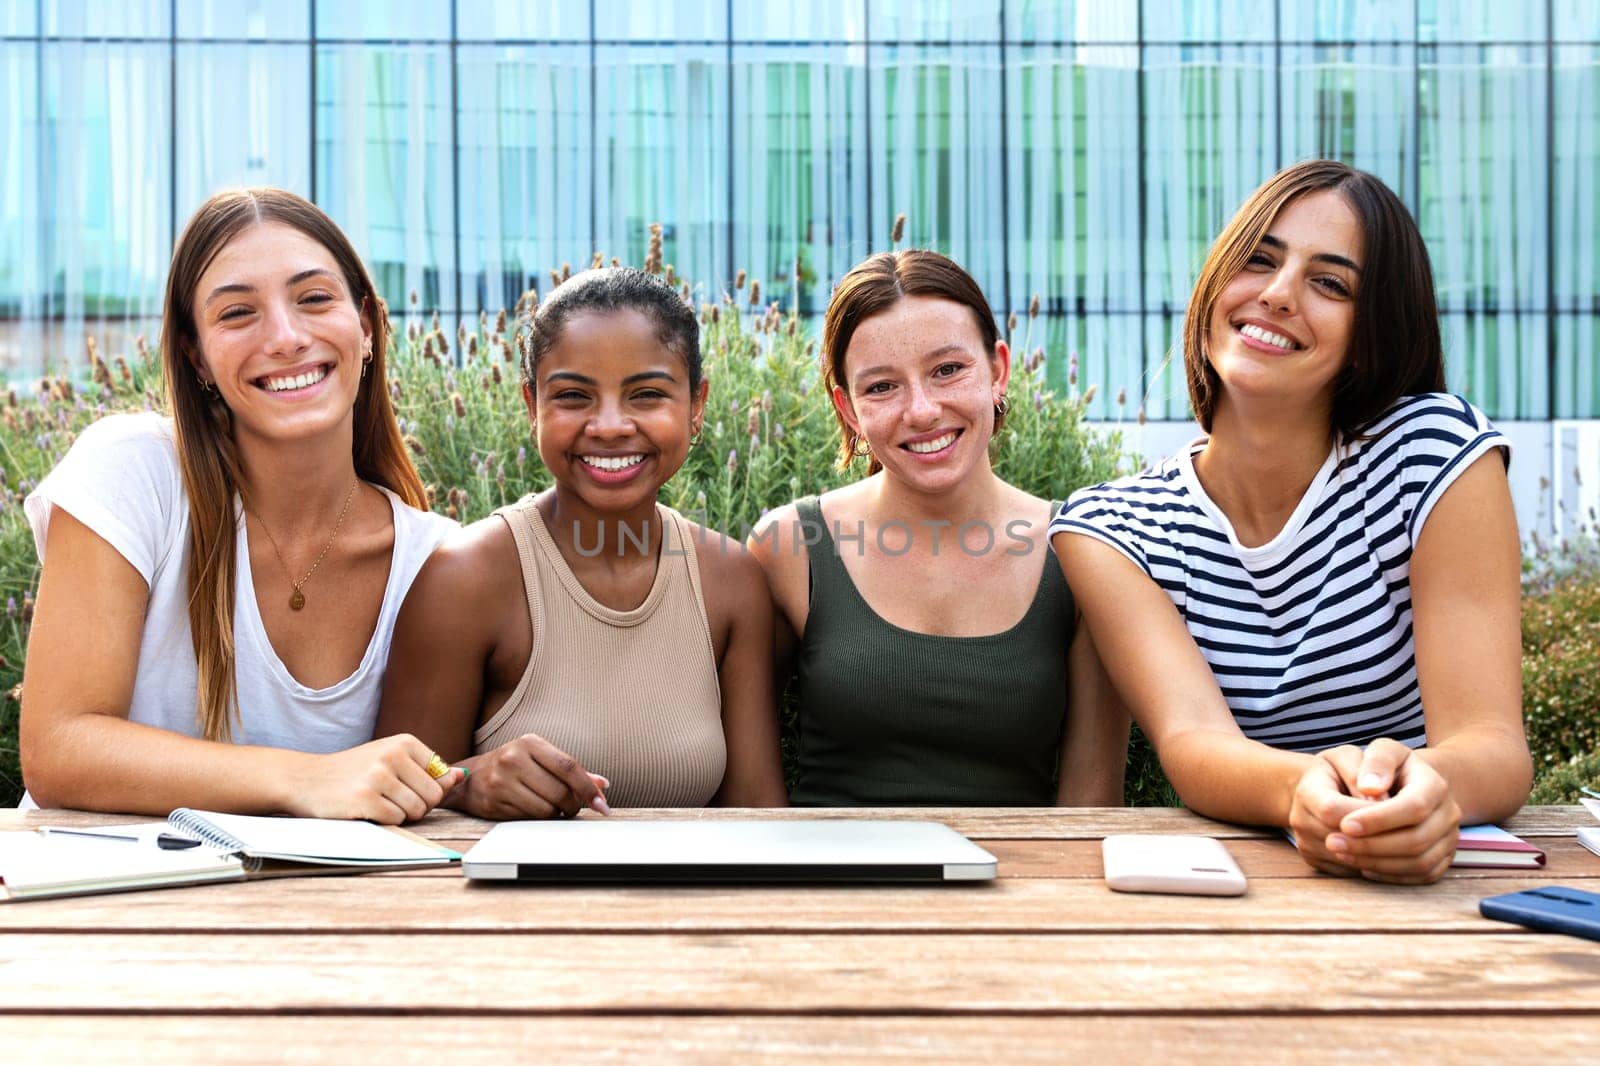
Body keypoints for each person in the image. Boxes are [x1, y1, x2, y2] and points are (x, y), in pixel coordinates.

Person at [1051, 160, 1531, 884]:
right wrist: (1302, 793)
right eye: (1259, 261)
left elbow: (1491, 741)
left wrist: (1425, 793)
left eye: (1330, 283)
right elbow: (1192, 743)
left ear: (1371, 335)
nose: (1277, 295)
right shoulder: (1112, 529)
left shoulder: (1433, 452)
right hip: (1254, 889)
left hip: (1435, 876)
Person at [19, 188, 462, 821]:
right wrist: (303, 778)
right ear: (196, 355)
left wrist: (476, 776)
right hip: (94, 906)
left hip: (311, 916)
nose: (285, 337)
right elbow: (60, 746)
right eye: (236, 313)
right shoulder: (134, 471)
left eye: (313, 298)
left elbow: (428, 775)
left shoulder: (437, 560)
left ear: (365, 327)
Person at [375, 268, 787, 818]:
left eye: (647, 394)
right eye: (573, 395)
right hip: (505, 900)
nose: (611, 425)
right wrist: (465, 782)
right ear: (532, 406)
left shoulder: (730, 581)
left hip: (687, 902)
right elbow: (397, 791)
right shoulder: (466, 579)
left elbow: (758, 815)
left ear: (697, 405)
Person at [749, 250, 1129, 806]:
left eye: (948, 370)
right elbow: (753, 805)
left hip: (1022, 886)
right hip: (830, 888)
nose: (922, 410)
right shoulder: (790, 548)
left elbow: (1091, 805)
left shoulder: (1078, 551)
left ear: (998, 370)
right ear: (848, 409)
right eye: (881, 387)